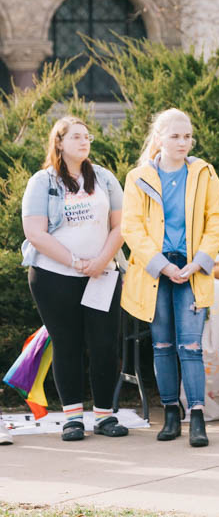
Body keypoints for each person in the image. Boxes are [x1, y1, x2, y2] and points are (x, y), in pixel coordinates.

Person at [121, 108, 219, 447]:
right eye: (175, 136)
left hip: (192, 270)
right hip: (157, 272)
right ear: (159, 139)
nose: (183, 142)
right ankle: (170, 413)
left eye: (187, 136)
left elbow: (217, 220)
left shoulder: (204, 173)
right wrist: (160, 264)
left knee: (191, 346)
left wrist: (199, 262)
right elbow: (131, 227)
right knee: (163, 345)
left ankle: (197, 416)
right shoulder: (137, 178)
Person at [21, 116, 129, 442]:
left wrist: (100, 261)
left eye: (87, 137)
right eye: (76, 137)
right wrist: (76, 262)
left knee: (104, 345)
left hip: (102, 275)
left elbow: (121, 226)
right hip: (54, 277)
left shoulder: (106, 179)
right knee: (67, 345)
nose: (84, 142)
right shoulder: (42, 182)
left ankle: (105, 416)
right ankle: (72, 418)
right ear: (59, 143)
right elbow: (35, 233)